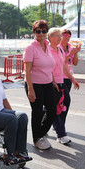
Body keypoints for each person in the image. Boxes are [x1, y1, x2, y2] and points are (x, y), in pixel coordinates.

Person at [23, 20, 57, 150]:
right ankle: (37, 138)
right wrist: (30, 89)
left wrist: (53, 81)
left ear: (47, 32)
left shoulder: (48, 46)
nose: (41, 33)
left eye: (43, 31)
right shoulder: (30, 48)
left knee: (52, 110)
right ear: (34, 33)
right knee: (37, 112)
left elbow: (50, 66)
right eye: (38, 31)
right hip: (35, 84)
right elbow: (27, 70)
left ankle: (41, 132)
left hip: (48, 83)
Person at [47, 28, 80, 144]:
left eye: (60, 35)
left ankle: (55, 125)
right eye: (57, 35)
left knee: (65, 102)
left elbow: (64, 66)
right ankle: (61, 134)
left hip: (62, 81)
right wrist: (52, 81)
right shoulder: (48, 50)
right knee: (55, 107)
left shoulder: (60, 50)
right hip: (51, 82)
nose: (59, 37)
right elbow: (48, 67)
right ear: (50, 37)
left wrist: (72, 79)